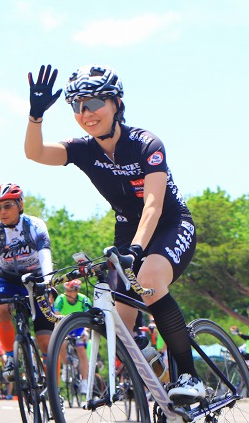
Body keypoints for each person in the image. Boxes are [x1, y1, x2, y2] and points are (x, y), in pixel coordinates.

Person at [23, 64, 201, 400]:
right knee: (119, 327)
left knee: (148, 281)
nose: (85, 113)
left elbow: (153, 205)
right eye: (76, 106)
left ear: (116, 103)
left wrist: (136, 249)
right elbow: (35, 153)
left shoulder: (146, 143)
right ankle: (166, 391)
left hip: (169, 225)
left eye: (92, 104)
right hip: (126, 232)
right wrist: (35, 116)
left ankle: (191, 377)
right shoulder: (83, 150)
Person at [0, 183, 55, 383]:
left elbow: (45, 256)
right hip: (8, 279)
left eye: (8, 206)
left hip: (36, 279)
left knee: (46, 342)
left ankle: (53, 386)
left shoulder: (35, 225)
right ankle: (10, 356)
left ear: (20, 204)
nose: (2, 212)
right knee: (0, 309)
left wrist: (48, 282)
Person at [54, 279, 93, 395]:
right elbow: (56, 316)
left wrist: (86, 331)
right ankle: (66, 366)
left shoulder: (84, 300)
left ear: (76, 291)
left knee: (81, 351)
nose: (67, 293)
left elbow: (89, 317)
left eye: (70, 291)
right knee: (62, 344)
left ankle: (85, 382)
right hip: (65, 326)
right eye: (66, 290)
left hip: (80, 328)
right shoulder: (60, 299)